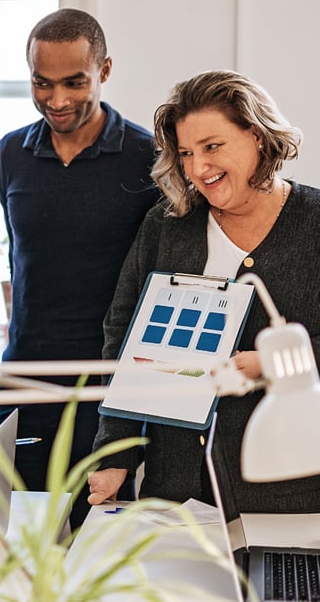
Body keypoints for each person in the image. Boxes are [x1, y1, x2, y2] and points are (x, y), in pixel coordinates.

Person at [88, 69, 320, 512]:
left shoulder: (314, 224)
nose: (198, 168)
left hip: (285, 490)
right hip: (175, 483)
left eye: (212, 147)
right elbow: (123, 335)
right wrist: (116, 450)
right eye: (186, 153)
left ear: (256, 135)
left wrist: (272, 363)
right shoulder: (167, 225)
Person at [0, 8, 159, 527]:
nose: (56, 101)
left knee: (87, 540)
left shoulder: (147, 157)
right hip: (25, 376)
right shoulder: (10, 152)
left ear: (104, 71)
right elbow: (25, 257)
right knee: (4, 528)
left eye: (74, 83)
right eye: (41, 83)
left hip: (106, 385)